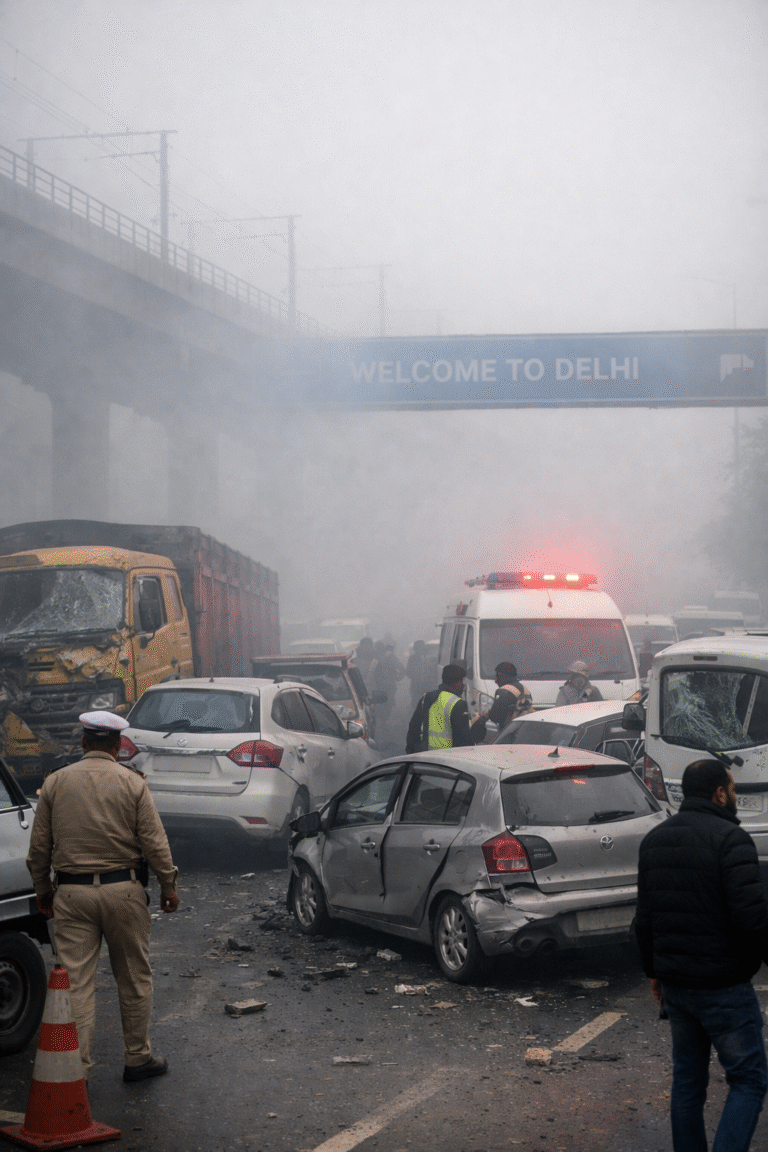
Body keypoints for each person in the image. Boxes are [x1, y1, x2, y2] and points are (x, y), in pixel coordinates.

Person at [27, 710, 180, 1083]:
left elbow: (38, 850)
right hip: (124, 891)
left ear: (83, 742)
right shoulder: (133, 784)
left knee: (76, 983)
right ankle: (137, 1058)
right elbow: (155, 843)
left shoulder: (56, 783)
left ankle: (73, 1072)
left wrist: (43, 891)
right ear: (117, 746)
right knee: (134, 977)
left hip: (72, 894)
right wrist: (168, 885)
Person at [635, 758, 768, 1152]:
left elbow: (644, 920)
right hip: (723, 985)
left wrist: (654, 973)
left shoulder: (654, 840)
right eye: (733, 789)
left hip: (677, 985)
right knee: (749, 1079)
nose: (735, 797)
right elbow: (752, 919)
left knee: (688, 1083)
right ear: (719, 793)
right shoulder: (731, 839)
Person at [405, 663, 485, 753]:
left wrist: (411, 755)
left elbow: (413, 730)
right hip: (445, 760)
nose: (463, 685)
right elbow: (464, 739)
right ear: (457, 682)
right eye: (462, 681)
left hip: (424, 759)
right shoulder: (458, 704)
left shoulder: (426, 698)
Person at [477, 662, 533, 732]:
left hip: (509, 731)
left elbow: (495, 716)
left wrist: (486, 716)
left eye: (497, 677)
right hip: (524, 729)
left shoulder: (503, 691)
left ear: (503, 676)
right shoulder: (524, 689)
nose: (496, 681)